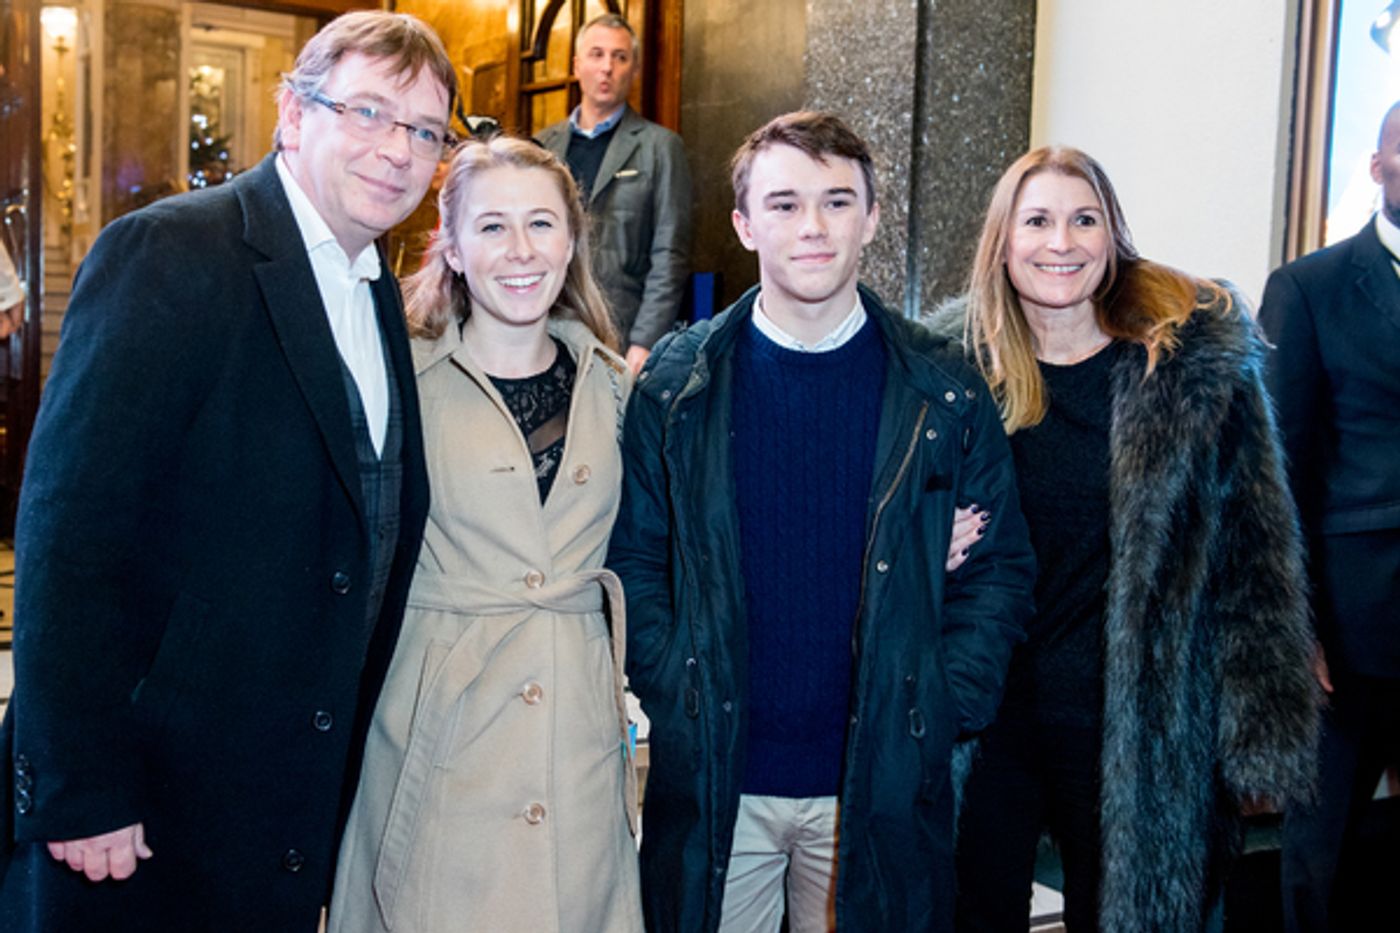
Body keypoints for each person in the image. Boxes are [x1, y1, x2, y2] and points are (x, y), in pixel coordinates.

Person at [0, 12, 454, 930]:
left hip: (272, 805)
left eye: (423, 130)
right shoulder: (173, 252)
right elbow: (69, 532)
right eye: (368, 112)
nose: (397, 150)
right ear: (293, 114)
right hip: (141, 816)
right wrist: (81, 784)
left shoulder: (376, 291)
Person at [608, 110, 1036, 933]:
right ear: (743, 224)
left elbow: (998, 570)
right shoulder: (674, 384)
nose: (812, 227)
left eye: (838, 202)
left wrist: (941, 705)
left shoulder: (942, 390)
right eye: (784, 203)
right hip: (720, 779)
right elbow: (638, 560)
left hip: (876, 779)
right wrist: (679, 689)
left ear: (872, 218)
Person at [938, 145, 1319, 932]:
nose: (1061, 242)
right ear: (1003, 242)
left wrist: (1261, 727)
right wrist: (924, 541)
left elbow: (1258, 552)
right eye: (1037, 221)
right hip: (984, 713)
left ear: (1112, 238)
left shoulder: (1186, 370)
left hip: (1135, 718)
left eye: (1085, 220)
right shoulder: (952, 373)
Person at [328, 136, 642, 933]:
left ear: (572, 241)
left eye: (541, 224)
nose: (520, 250)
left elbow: (690, 528)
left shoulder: (617, 387)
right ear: (454, 246)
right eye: (492, 227)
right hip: (439, 722)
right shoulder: (395, 381)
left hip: (575, 736)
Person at [1262, 101, 1400, 933]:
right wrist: (1296, 622)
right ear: (1379, 164)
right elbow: (1282, 470)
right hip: (1349, 632)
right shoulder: (1310, 289)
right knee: (1323, 858)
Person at [538, 13, 692, 373]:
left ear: (634, 70)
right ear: (577, 65)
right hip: (543, 327)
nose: (607, 67)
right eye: (596, 54)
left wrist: (646, 342)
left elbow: (670, 255)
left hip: (621, 334)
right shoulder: (543, 146)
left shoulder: (661, 147)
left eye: (620, 57)